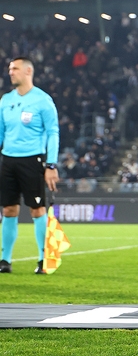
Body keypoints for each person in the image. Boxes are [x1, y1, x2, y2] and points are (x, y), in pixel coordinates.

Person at [0, 57, 59, 273]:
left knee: (37, 209)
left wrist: (51, 165)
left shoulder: (42, 100)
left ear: (28, 71)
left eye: (14, 68)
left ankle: (44, 259)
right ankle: (5, 261)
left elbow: (53, 133)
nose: (10, 72)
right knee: (8, 209)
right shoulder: (5, 100)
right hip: (8, 160)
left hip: (33, 160)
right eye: (9, 69)